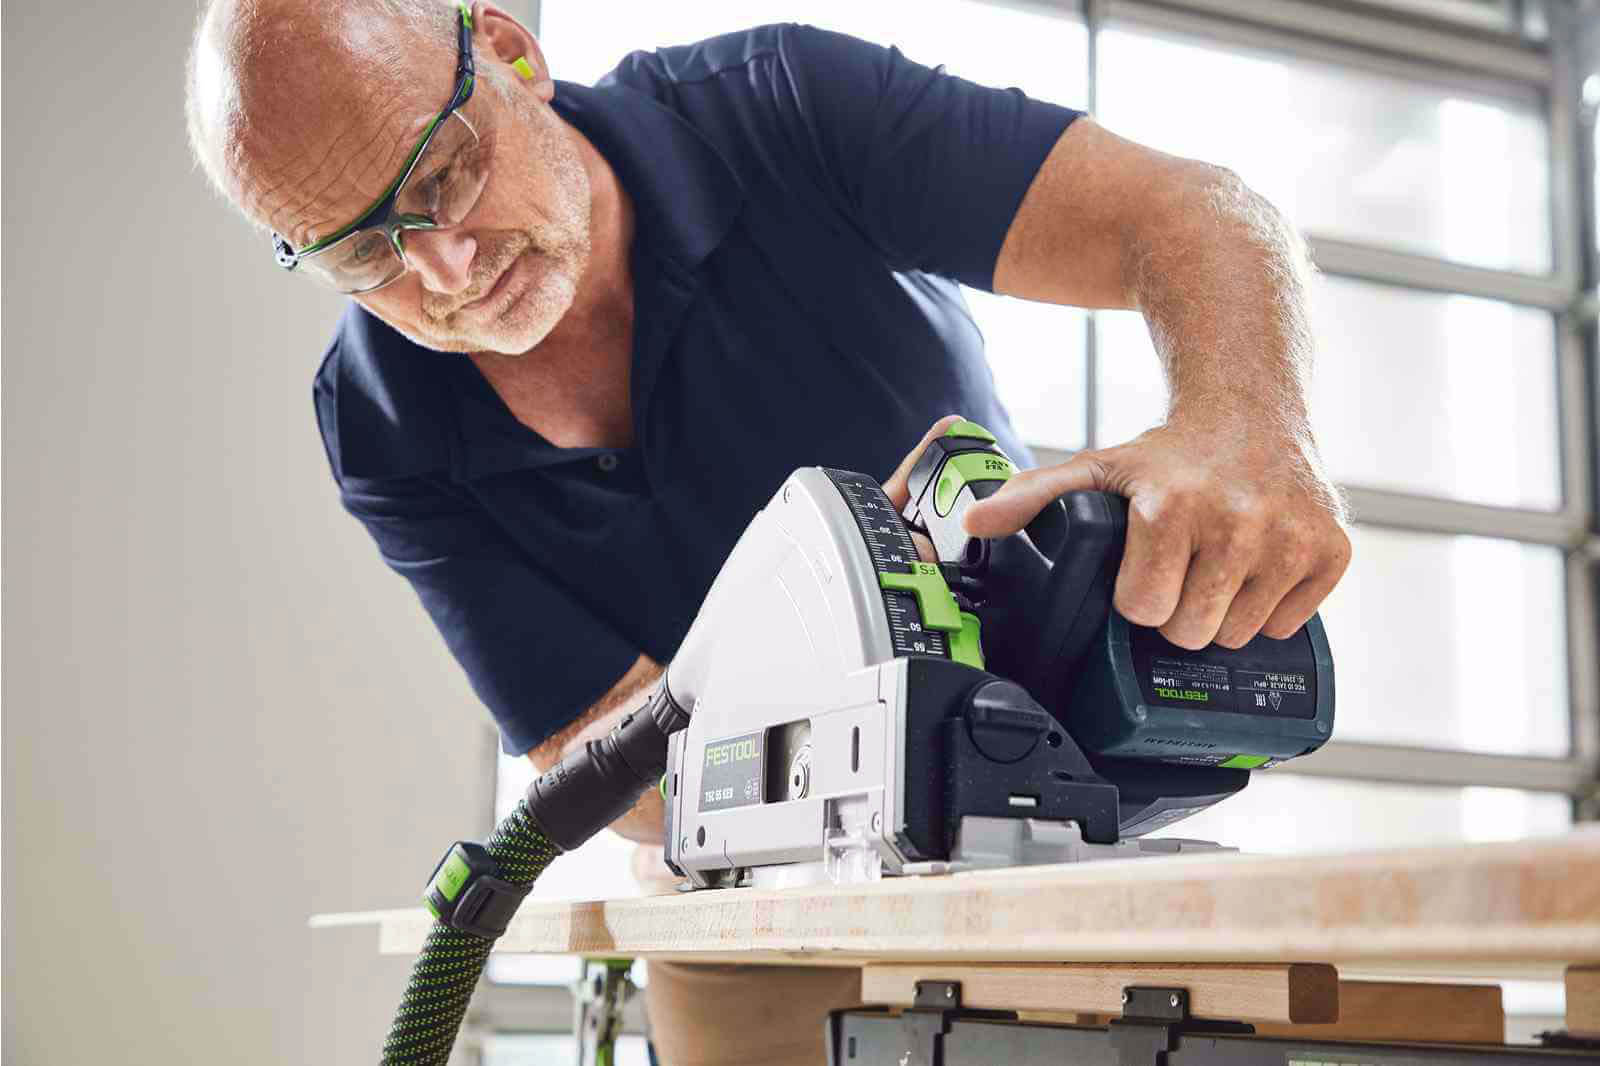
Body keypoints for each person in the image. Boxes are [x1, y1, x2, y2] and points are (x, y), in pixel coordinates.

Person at [186, 1, 1352, 1061]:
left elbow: (1189, 211)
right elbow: (620, 769)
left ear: (508, 51)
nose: (441, 267)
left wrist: (1244, 423)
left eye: (445, 173)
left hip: (1024, 802)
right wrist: (823, 684)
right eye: (361, 249)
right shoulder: (379, 417)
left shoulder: (783, 107)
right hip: (741, 892)